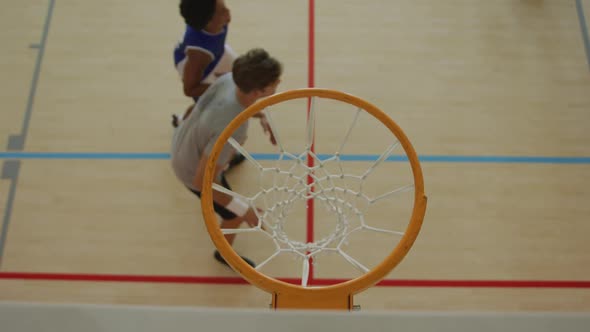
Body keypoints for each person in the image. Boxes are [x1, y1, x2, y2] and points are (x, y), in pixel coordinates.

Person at [171, 48, 281, 267]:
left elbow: (206, 106)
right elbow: (201, 182)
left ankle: (224, 162)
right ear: (258, 91)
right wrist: (243, 208)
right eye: (274, 81)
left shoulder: (231, 79)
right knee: (234, 214)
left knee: (221, 155)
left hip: (183, 140)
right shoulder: (233, 128)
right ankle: (224, 254)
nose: (279, 81)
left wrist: (258, 115)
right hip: (191, 170)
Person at [172, 0, 235, 128]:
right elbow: (189, 89)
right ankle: (182, 122)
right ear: (209, 22)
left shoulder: (209, 17)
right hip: (201, 69)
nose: (228, 12)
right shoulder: (199, 55)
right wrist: (221, 85)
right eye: (222, 11)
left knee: (241, 76)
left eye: (225, 6)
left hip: (217, 52)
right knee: (207, 107)